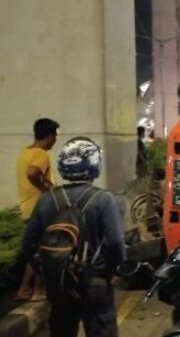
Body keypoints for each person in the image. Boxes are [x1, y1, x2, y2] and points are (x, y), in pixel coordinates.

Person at [22, 137, 126, 337]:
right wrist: (113, 270)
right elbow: (115, 242)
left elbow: (28, 244)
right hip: (95, 279)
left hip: (59, 281)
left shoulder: (46, 199)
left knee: (62, 329)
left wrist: (49, 269)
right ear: (94, 164)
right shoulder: (103, 199)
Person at [15, 118, 59, 300]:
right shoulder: (41, 154)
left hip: (27, 206)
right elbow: (32, 173)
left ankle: (24, 289)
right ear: (49, 136)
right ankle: (39, 290)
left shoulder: (24, 153)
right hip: (40, 208)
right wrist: (46, 189)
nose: (55, 140)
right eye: (55, 136)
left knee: (35, 249)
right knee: (44, 250)